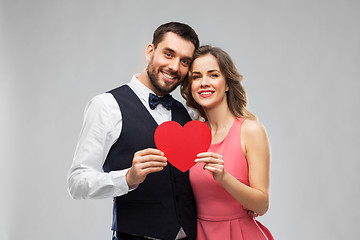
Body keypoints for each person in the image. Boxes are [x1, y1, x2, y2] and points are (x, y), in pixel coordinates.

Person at [67, 22, 200, 240]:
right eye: (168, 54)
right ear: (150, 51)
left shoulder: (186, 113)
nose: (175, 67)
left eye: (184, 61)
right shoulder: (106, 106)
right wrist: (127, 178)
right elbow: (76, 182)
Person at [181, 45, 274, 240]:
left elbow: (262, 205)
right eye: (196, 77)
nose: (204, 82)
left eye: (213, 75)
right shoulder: (190, 134)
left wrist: (224, 177)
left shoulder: (250, 130)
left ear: (228, 83)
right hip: (199, 234)